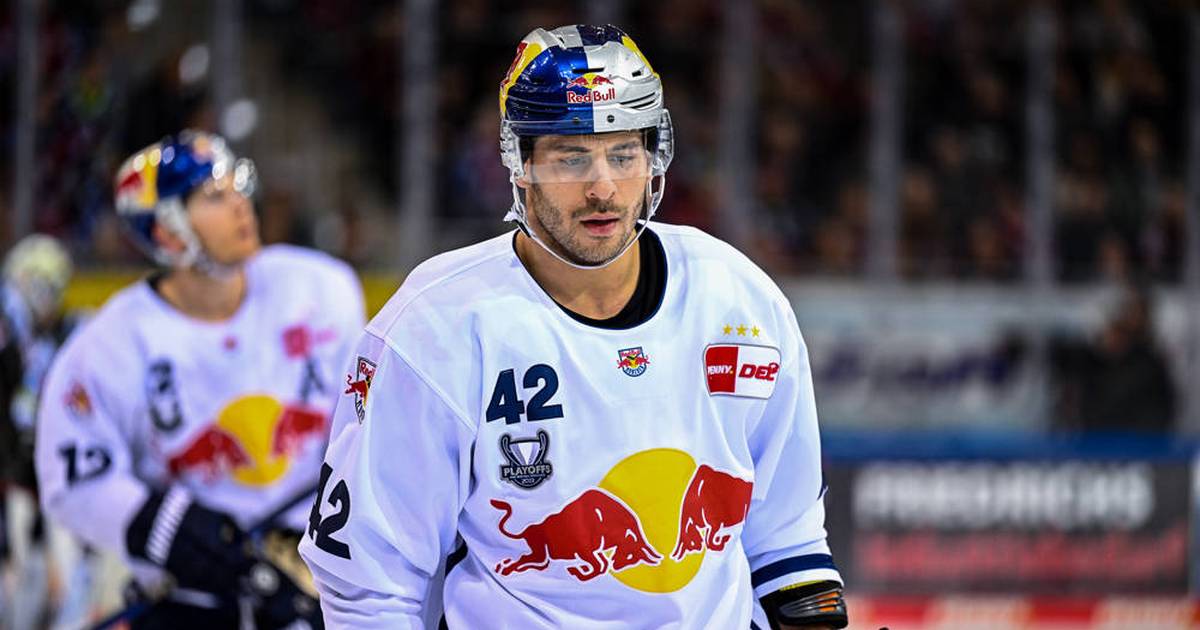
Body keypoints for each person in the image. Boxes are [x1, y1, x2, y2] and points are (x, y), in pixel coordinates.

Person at [300, 24, 847, 630]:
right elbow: (370, 584)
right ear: (520, 163)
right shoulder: (435, 327)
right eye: (571, 157)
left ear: (654, 157)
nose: (603, 187)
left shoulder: (740, 301)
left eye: (623, 154)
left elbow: (788, 539)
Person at [35, 130, 365, 629]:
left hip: (318, 579)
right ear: (168, 234)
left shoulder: (322, 290)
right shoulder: (109, 347)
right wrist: (170, 531)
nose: (240, 204)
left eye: (237, 186)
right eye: (214, 196)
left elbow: (365, 422)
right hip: (191, 600)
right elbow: (74, 479)